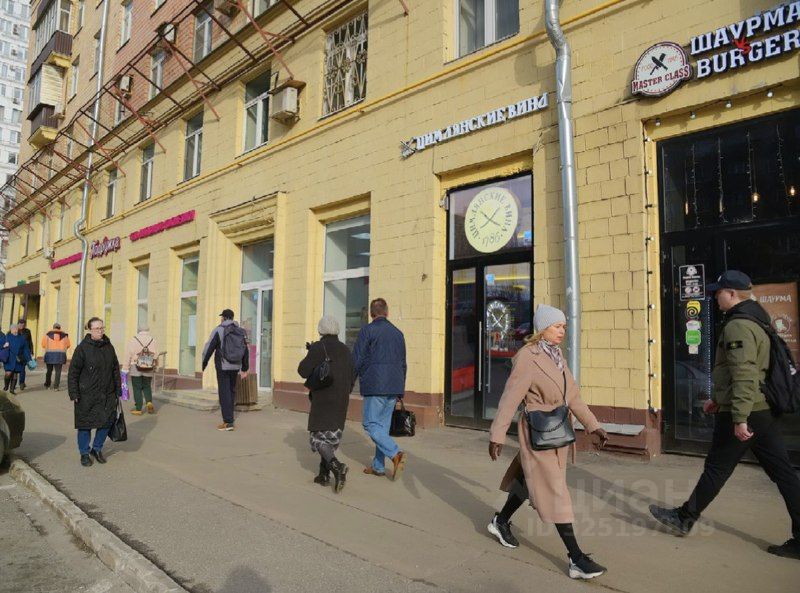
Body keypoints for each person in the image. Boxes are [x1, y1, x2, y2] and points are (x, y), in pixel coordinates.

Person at [650, 270, 800, 560]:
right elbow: (745, 374)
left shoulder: (738, 326)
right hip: (761, 409)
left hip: (746, 411)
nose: (714, 296)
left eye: (718, 292)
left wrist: (739, 417)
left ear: (732, 293)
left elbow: (744, 375)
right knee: (784, 473)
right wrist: (719, 401)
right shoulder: (757, 319)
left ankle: (684, 517)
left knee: (717, 468)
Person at [488, 304, 609, 580]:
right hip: (538, 433)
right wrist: (497, 435)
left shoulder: (557, 356)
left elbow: (573, 396)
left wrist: (594, 426)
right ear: (543, 328)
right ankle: (576, 559)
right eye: (557, 326)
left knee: (529, 481)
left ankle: (500, 520)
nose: (562, 331)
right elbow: (510, 399)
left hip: (557, 431)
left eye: (564, 326)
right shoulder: (527, 357)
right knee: (555, 490)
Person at [298, 315, 355, 493]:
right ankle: (323, 475)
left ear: (321, 330)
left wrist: (311, 355)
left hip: (323, 399)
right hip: (341, 399)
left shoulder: (318, 347)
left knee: (317, 439)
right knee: (330, 438)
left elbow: (302, 370)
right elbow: (352, 374)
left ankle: (337, 467)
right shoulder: (346, 349)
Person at [353, 298, 408, 480]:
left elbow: (357, 359)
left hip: (375, 385)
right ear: (387, 312)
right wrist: (400, 389)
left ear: (371, 313)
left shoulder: (367, 331)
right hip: (394, 386)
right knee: (382, 428)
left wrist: (349, 383)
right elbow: (403, 363)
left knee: (370, 424)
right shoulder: (398, 334)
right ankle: (378, 467)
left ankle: (395, 453)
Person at [67, 317, 122, 467]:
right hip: (86, 394)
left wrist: (118, 390)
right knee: (85, 425)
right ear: (90, 330)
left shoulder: (109, 347)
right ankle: (84, 453)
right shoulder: (82, 348)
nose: (100, 331)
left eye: (102, 328)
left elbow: (115, 369)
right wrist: (74, 393)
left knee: (106, 423)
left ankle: (96, 449)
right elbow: (73, 373)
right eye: (97, 328)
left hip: (107, 393)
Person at [201, 309, 249, 431]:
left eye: (222, 317)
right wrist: (245, 367)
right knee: (231, 391)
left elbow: (209, 347)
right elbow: (245, 350)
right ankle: (230, 418)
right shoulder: (240, 331)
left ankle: (228, 422)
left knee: (224, 393)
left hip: (223, 366)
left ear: (224, 318)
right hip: (235, 366)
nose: (221, 319)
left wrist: (204, 363)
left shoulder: (219, 330)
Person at [122, 327, 159, 416]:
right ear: (147, 331)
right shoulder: (153, 340)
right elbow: (156, 355)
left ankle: (138, 408)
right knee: (147, 386)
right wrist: (156, 367)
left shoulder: (133, 340)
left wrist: (125, 368)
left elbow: (128, 355)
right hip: (149, 366)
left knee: (137, 388)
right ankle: (149, 402)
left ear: (138, 331)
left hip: (135, 366)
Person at [2, 324, 32, 394]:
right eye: (13, 329)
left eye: (16, 329)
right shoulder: (7, 337)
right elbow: (1, 346)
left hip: (18, 359)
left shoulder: (22, 338)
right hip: (9, 358)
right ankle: (6, 386)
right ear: (11, 330)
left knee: (15, 375)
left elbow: (26, 349)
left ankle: (12, 390)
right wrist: (4, 346)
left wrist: (29, 359)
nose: (15, 330)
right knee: (8, 373)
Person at [42, 323, 71, 390]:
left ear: (53, 327)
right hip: (60, 355)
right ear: (59, 328)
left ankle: (47, 385)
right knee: (58, 371)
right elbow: (68, 345)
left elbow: (43, 344)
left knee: (49, 370)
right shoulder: (64, 336)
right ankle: (56, 387)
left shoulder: (47, 335)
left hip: (49, 355)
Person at [17, 319, 34, 391]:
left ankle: (21, 383)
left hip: (24, 352)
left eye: (23, 324)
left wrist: (31, 351)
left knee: (22, 368)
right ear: (18, 324)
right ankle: (12, 384)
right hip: (15, 352)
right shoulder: (14, 330)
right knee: (13, 369)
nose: (22, 325)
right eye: (20, 324)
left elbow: (30, 341)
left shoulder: (27, 331)